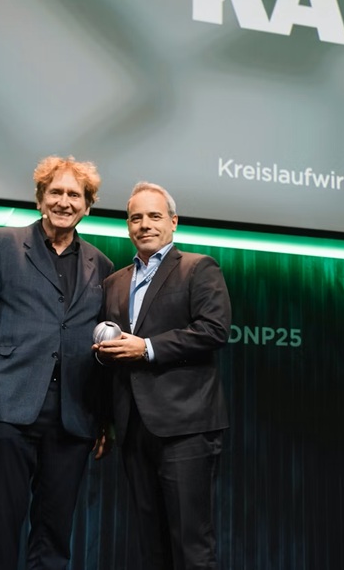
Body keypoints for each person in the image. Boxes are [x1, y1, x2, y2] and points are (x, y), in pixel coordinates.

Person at [0, 155, 115, 570]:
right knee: (0, 524)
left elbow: (102, 352)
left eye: (74, 195)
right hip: (10, 402)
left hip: (73, 413)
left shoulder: (101, 265)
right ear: (40, 199)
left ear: (87, 206)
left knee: (54, 534)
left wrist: (103, 418)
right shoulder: (1, 244)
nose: (64, 201)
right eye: (55, 192)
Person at [93, 182, 232, 570]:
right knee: (151, 547)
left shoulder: (198, 267)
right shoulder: (114, 282)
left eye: (154, 216)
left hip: (186, 427)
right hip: (133, 428)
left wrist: (147, 348)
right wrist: (106, 419)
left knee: (191, 545)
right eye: (136, 217)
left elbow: (214, 330)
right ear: (127, 226)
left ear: (173, 222)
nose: (145, 224)